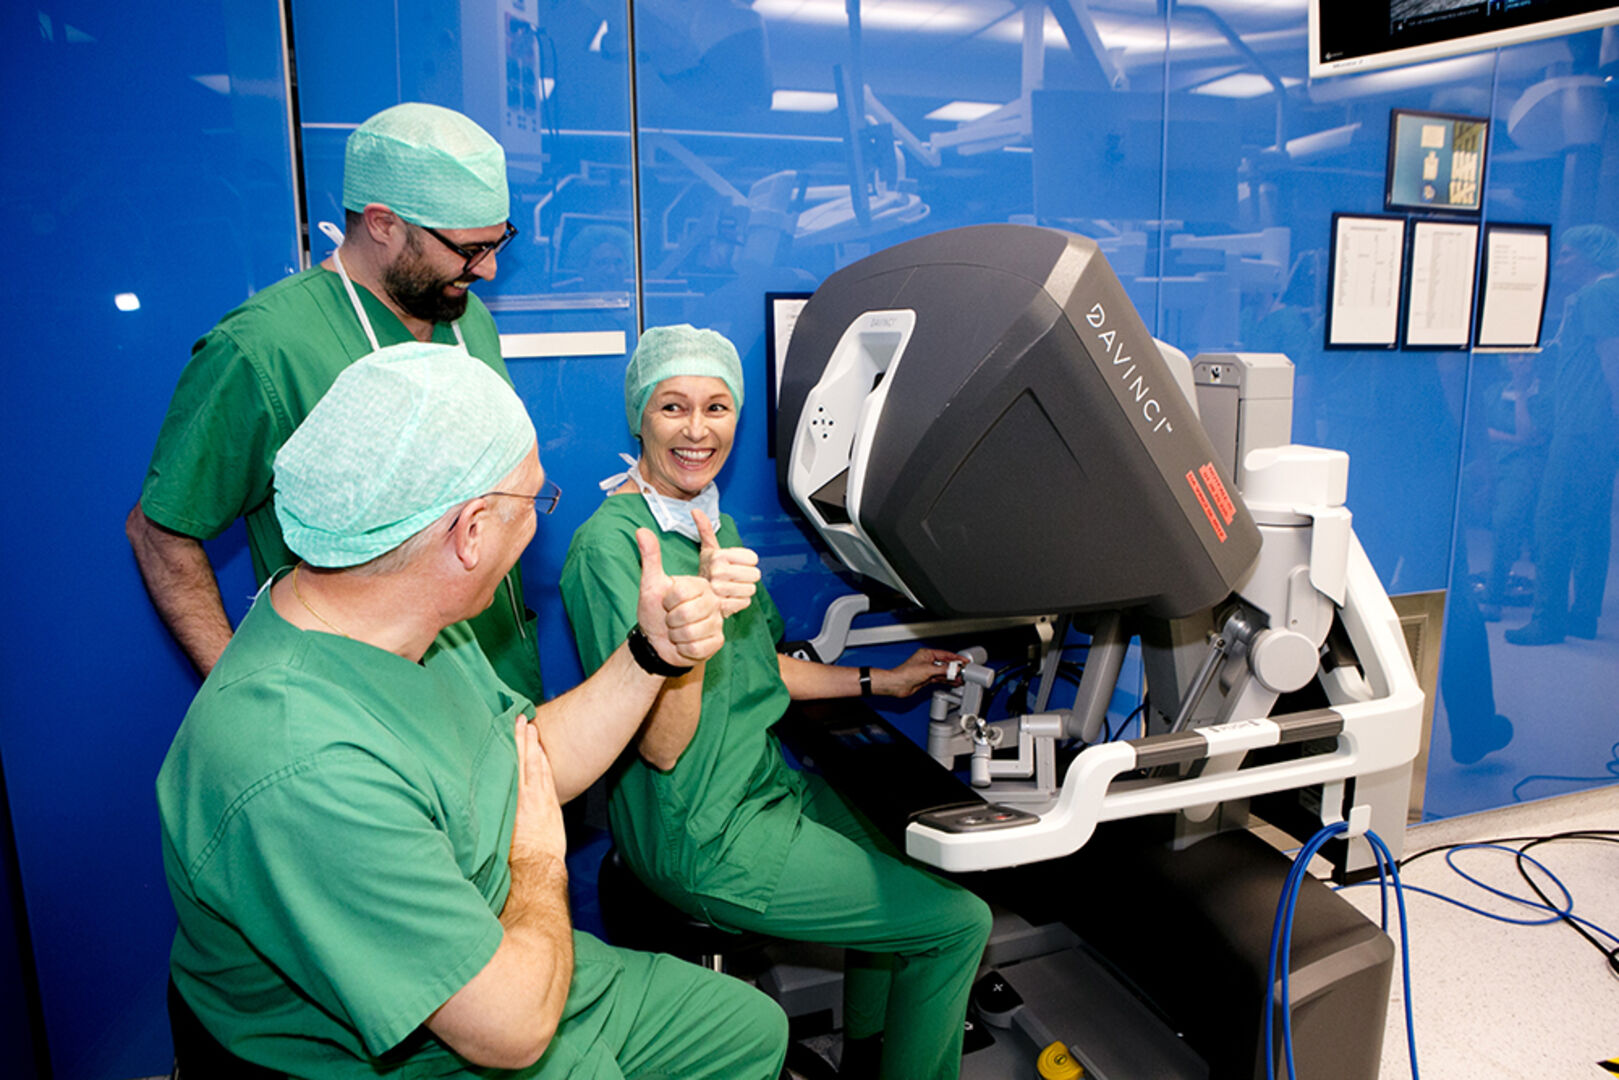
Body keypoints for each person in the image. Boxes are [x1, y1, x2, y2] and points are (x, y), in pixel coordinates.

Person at [157, 342, 788, 1079]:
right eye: (536, 501)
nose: (539, 524)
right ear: (472, 532)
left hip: (513, 941)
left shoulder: (411, 617)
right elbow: (510, 1031)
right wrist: (537, 858)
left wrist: (652, 653)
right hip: (437, 1038)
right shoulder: (300, 762)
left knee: (749, 1030)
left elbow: (530, 759)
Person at [560, 325, 994, 1080]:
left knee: (912, 857)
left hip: (763, 790)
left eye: (717, 407)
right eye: (672, 407)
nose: (697, 431)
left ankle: (866, 1055)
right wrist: (688, 634)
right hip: (700, 832)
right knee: (958, 925)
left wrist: (884, 679)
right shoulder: (612, 549)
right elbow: (660, 746)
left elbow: (764, 667)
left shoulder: (711, 523)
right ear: (639, 417)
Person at [127, 102, 545, 703]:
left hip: (500, 687)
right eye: (469, 249)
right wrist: (243, 691)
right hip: (360, 708)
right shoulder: (263, 348)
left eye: (497, 241)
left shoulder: (465, 318)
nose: (489, 269)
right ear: (383, 223)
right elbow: (158, 531)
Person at [1506, 224, 1619, 646]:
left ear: (1594, 254)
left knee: (1552, 519)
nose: (1560, 262)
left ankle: (1548, 619)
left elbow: (1612, 360)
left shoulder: (1597, 295)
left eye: (1568, 254)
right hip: (1596, 427)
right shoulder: (1604, 294)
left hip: (1582, 427)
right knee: (1592, 521)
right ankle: (1583, 615)